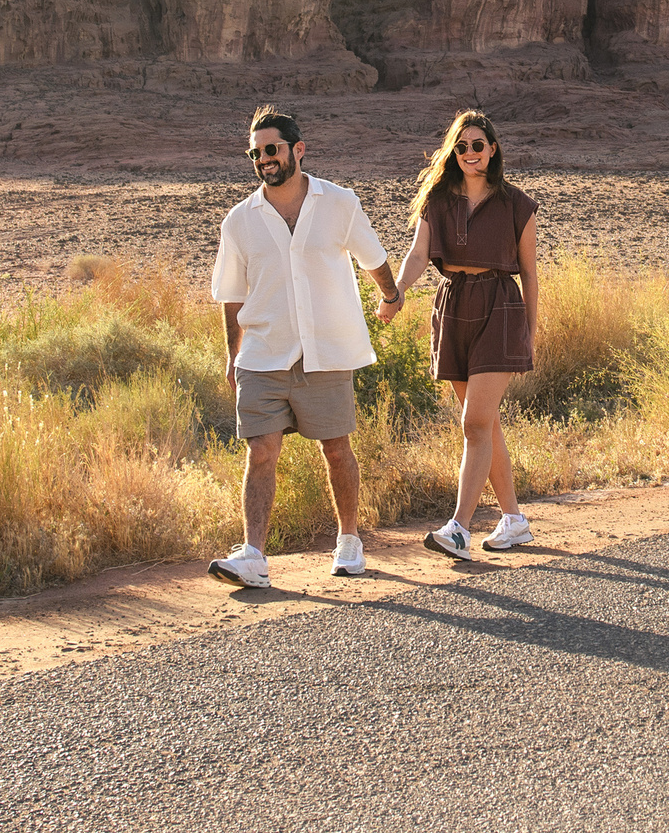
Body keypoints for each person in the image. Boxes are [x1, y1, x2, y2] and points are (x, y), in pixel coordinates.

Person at [206, 104, 404, 588]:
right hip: (263, 354)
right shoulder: (239, 221)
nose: (263, 160)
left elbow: (373, 258)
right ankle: (253, 555)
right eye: (255, 153)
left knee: (337, 450)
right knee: (261, 452)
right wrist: (233, 354)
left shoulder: (340, 203)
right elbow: (231, 296)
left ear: (298, 150)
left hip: (326, 352)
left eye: (271, 149)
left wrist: (391, 296)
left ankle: (349, 542)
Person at [378, 109, 538, 562]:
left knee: (473, 424)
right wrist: (397, 292)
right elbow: (417, 254)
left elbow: (529, 273)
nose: (471, 153)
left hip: (500, 309)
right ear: (454, 151)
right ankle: (514, 520)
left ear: (493, 150)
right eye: (462, 146)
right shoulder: (437, 201)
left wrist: (531, 329)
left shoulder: (516, 204)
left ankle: (460, 529)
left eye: (479, 145)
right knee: (485, 425)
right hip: (452, 306)